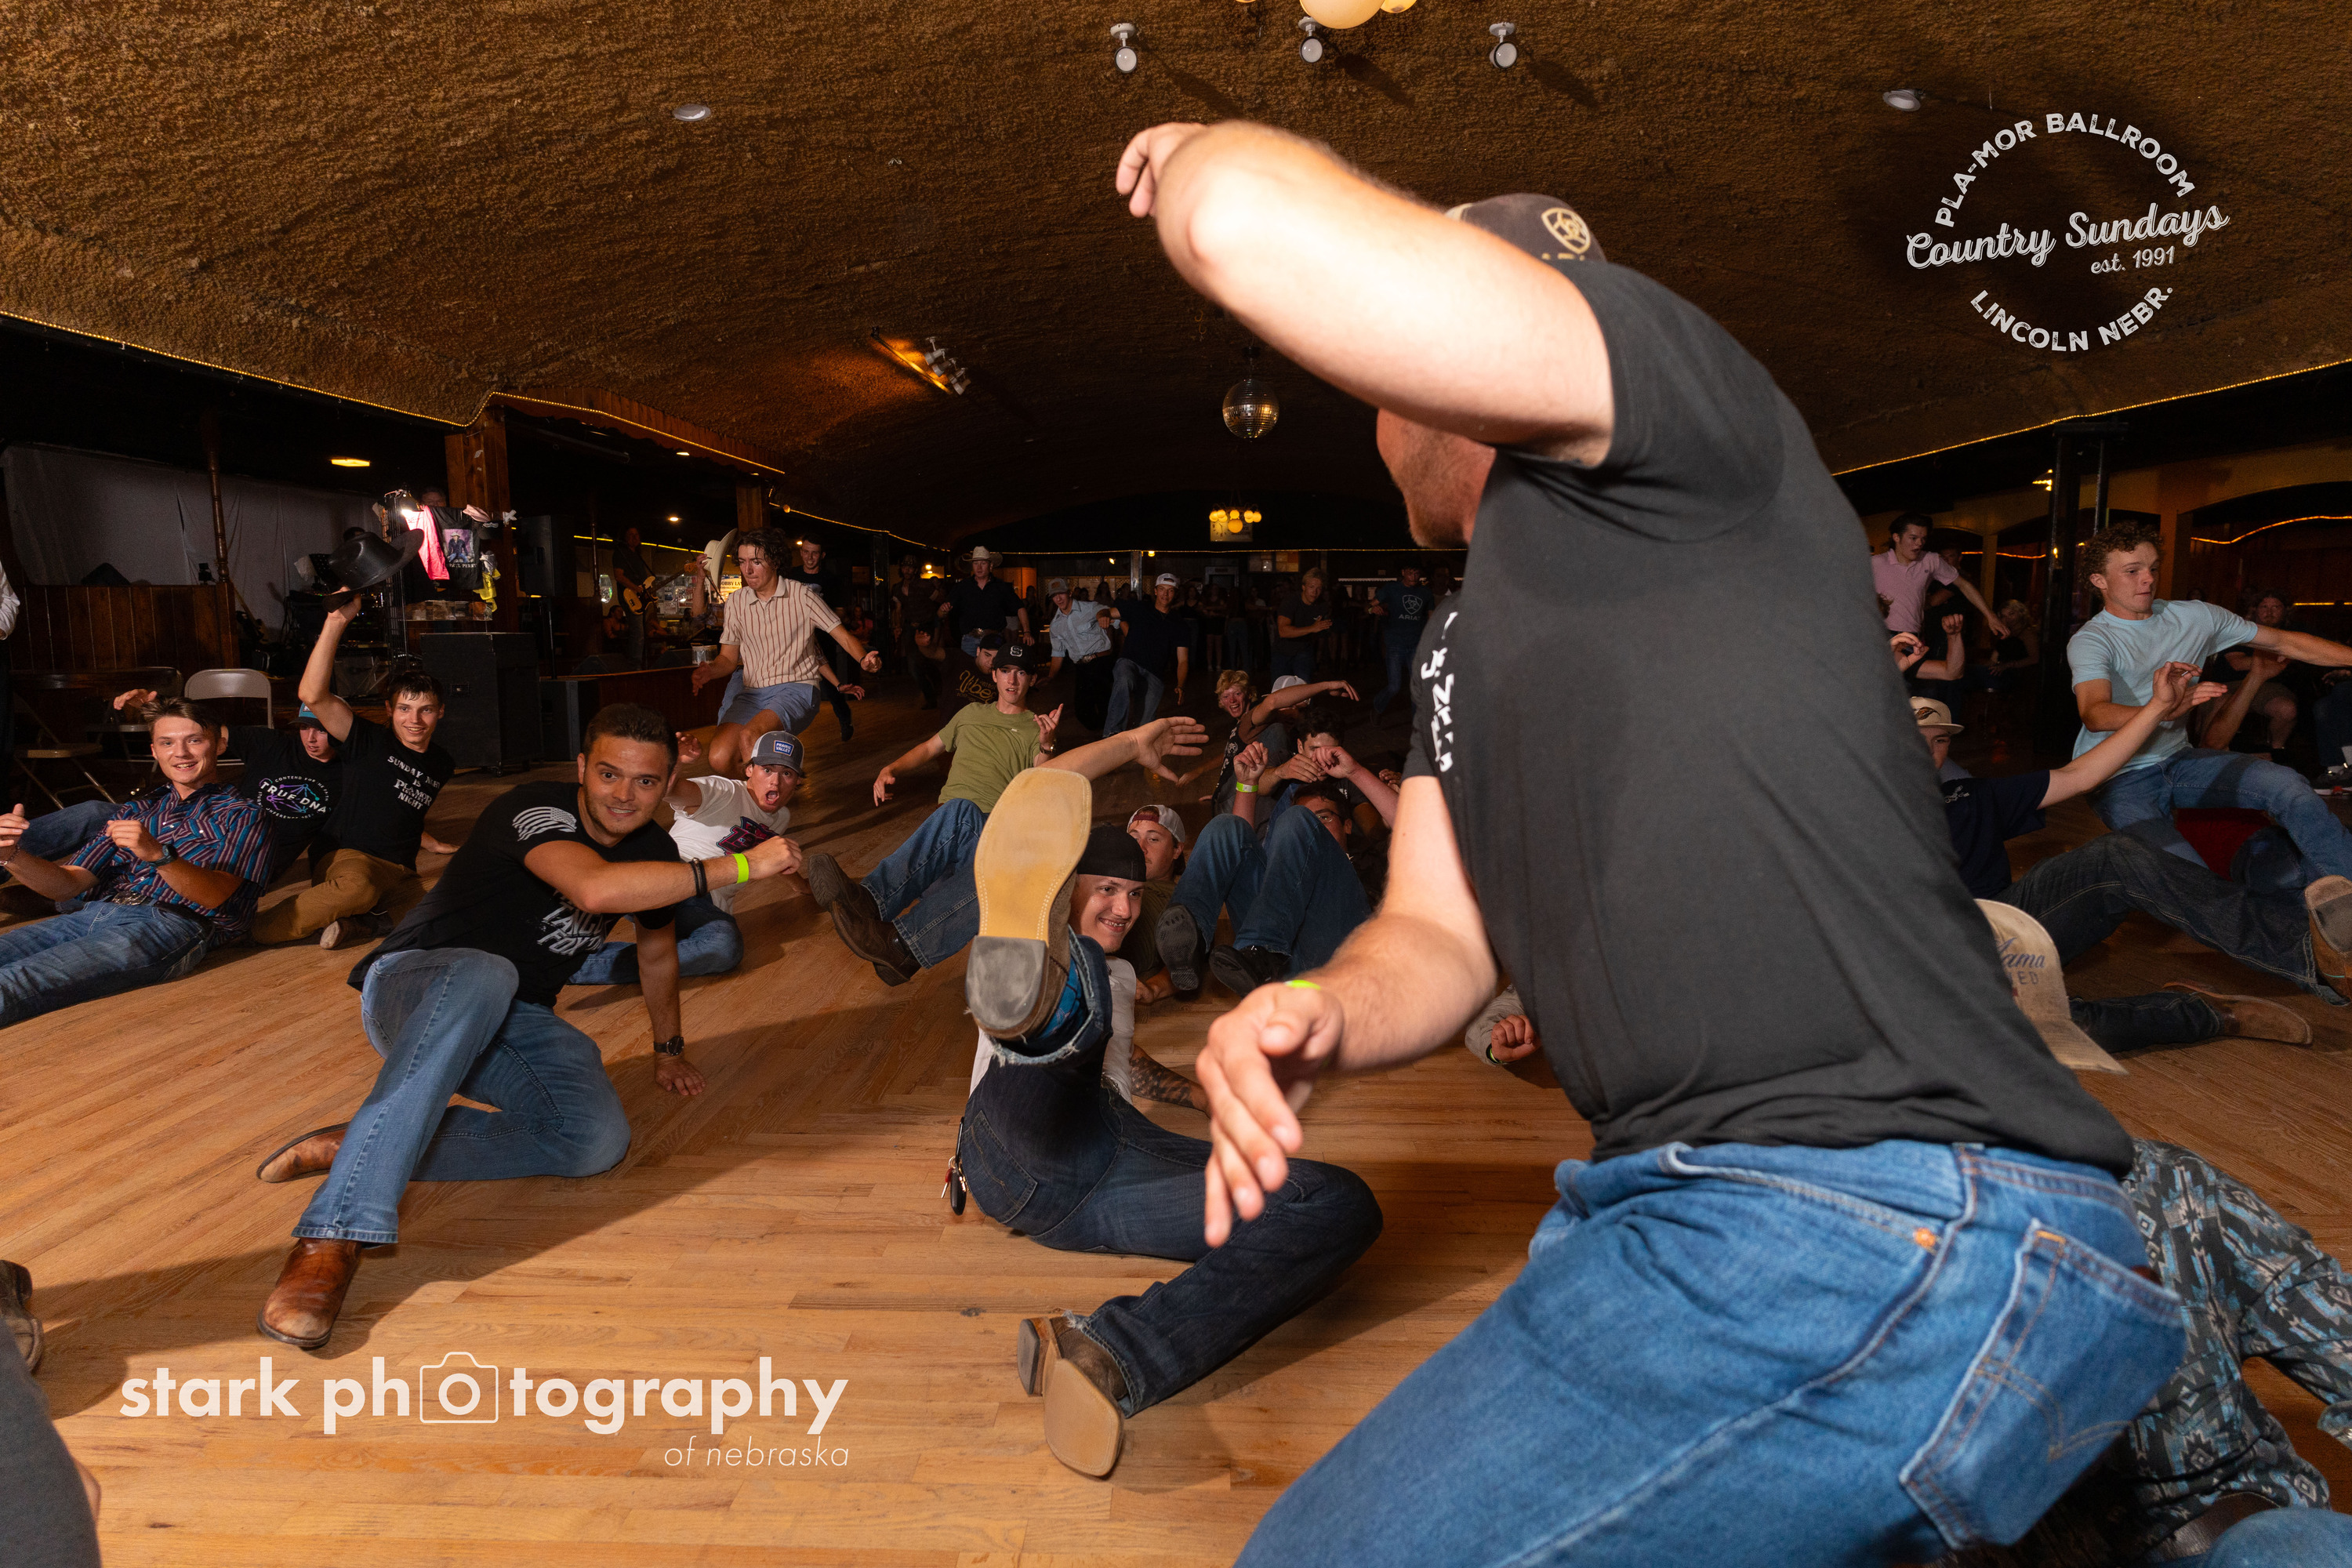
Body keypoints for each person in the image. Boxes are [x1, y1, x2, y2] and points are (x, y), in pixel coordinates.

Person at [1116, 121, 2187, 1566]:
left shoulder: (1683, 426)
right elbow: (1436, 932)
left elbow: (1242, 218)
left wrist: (1197, 151)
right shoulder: (1459, 640)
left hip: (1861, 1198)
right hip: (1688, 1205)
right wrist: (1323, 1010)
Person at [249, 704, 804, 1350]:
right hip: (414, 987)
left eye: (646, 782)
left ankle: (360, 1145)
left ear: (665, 784)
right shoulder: (535, 810)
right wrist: (745, 865)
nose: (624, 796)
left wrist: (668, 1049)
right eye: (609, 774)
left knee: (593, 1140)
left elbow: (656, 956)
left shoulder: (655, 854)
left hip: (516, 1018)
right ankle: (333, 1233)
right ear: (582, 768)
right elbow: (594, 890)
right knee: (489, 971)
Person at [953, 776, 1381, 1479]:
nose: (1124, 908)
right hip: (1014, 1129)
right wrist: (1127, 748)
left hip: (1099, 1174)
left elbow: (1130, 1071)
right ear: (1062, 892)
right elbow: (1045, 789)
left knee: (1338, 1202)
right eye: (1106, 890)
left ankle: (1104, 1352)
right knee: (1079, 985)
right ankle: (1044, 1017)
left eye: (1133, 893)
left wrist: (1211, 1098)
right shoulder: (1050, 956)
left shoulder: (1120, 978)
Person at [1942, 1141, 2352, 1568]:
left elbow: (2333, 1324)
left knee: (2272, 1550)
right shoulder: (1910, 1235)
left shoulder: (2171, 1185)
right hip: (2025, 1549)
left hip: (2234, 1535)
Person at [1911, 686, 2352, 1053]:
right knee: (2049, 1029)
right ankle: (2206, 1013)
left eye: (1940, 740)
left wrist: (2157, 708)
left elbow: (2082, 775)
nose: (1928, 752)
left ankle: (2316, 960)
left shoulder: (1970, 797)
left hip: (2004, 927)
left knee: (2118, 856)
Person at [804, 691, 1207, 985]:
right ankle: (872, 902)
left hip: (1050, 942)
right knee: (962, 813)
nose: (1138, 846)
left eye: (1154, 839)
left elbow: (1185, 959)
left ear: (1178, 851)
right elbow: (1045, 782)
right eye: (1133, 834)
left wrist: (1161, 985)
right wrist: (1130, 744)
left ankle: (902, 947)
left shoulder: (1176, 898)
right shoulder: (1110, 870)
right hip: (1019, 910)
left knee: (1016, 863)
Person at [2071, 522, 2352, 875]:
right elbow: (2095, 713)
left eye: (2153, 568)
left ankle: (2345, 886)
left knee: (2289, 786)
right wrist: (2164, 709)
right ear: (2099, 580)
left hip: (2178, 760)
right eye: (2132, 571)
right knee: (2187, 876)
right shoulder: (2093, 640)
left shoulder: (2196, 616)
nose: (2148, 579)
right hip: (2115, 774)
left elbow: (2285, 642)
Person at [0, 698, 273, 1028]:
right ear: (155, 751)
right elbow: (67, 885)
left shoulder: (244, 814)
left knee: (15, 981)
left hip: (171, 925)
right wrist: (11, 856)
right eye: (167, 743)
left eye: (194, 740)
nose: (181, 753)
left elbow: (216, 895)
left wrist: (159, 855)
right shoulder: (136, 810)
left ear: (220, 745)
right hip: (94, 912)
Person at [255, 597, 458, 949]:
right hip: (349, 857)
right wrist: (336, 622)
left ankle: (359, 924)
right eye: (404, 709)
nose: (414, 720)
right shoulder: (368, 740)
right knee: (358, 890)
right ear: (389, 710)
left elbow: (400, 806)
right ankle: (249, 930)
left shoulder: (442, 762)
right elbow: (312, 694)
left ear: (440, 712)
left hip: (400, 869)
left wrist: (431, 843)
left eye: (425, 710)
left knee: (445, 910)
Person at [569, 729, 806, 986]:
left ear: (797, 781)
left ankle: (583, 965)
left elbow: (774, 855)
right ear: (750, 770)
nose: (775, 782)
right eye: (767, 770)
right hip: (671, 874)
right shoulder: (723, 791)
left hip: (704, 906)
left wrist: (804, 887)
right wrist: (673, 762)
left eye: (786, 773)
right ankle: (565, 942)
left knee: (723, 946)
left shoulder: (781, 818)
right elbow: (669, 791)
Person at [1156, 769, 1394, 1000]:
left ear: (1347, 825)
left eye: (1323, 817)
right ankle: (1191, 942)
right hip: (1283, 963)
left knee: (1294, 819)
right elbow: (1239, 848)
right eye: (1306, 823)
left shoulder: (1371, 862)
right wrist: (1248, 783)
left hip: (1344, 957)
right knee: (1226, 826)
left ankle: (1261, 949)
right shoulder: (1283, 864)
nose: (1313, 828)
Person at [689, 528, 882, 776]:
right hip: (752, 692)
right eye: (743, 562)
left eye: (756, 562)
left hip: (796, 687)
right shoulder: (737, 601)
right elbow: (727, 659)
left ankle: (764, 795)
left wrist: (864, 658)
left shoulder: (802, 595)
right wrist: (709, 670)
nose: (748, 570)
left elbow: (842, 635)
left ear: (775, 561)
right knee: (719, 758)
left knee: (750, 736)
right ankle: (773, 786)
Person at [1184, 670, 1352, 815]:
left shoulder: (1297, 735)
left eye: (1299, 709)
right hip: (1239, 799)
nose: (1292, 713)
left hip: (1236, 797)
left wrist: (1213, 784)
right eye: (1288, 705)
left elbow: (1232, 755)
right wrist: (1326, 686)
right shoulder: (1262, 723)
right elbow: (1272, 703)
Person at [784, 536, 860, 743]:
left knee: (830, 683)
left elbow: (840, 612)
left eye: (815, 553)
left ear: (822, 555)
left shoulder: (830, 579)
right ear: (801, 553)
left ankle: (844, 719)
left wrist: (825, 622)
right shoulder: (791, 577)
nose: (810, 557)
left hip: (823, 637)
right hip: (795, 637)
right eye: (806, 552)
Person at [1875, 513, 1997, 638]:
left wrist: (1990, 616)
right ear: (1896, 537)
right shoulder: (1875, 563)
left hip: (1913, 635)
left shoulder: (1930, 560)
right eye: (1913, 538)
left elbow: (1964, 585)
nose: (1919, 543)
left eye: (1923, 539)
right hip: (1880, 634)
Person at [1103, 572, 1193, 735]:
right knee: (1124, 680)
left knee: (1144, 729)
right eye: (1162, 589)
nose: (1165, 594)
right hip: (1130, 662)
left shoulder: (1179, 624)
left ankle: (1135, 743)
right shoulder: (1139, 608)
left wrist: (1181, 685)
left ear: (1175, 594)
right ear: (1156, 591)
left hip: (1154, 673)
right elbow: (1106, 612)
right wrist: (1102, 616)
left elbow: (1183, 660)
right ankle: (1112, 734)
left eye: (1170, 591)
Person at [1044, 577, 1118, 731]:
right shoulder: (1056, 625)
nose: (1058, 599)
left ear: (1069, 593)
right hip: (1081, 667)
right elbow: (1058, 653)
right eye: (1054, 596)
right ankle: (1103, 733)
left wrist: (1105, 615)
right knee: (1082, 711)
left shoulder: (1090, 608)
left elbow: (1114, 617)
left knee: (1104, 702)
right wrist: (1051, 676)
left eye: (1061, 594)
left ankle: (1110, 735)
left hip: (1100, 661)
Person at [1367, 566, 1435, 718]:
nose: (1414, 576)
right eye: (1410, 573)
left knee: (1418, 685)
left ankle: (1417, 721)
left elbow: (1431, 618)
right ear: (1403, 572)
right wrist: (1373, 609)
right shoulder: (1392, 588)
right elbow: (1369, 607)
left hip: (1416, 645)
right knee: (1394, 686)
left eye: (1417, 573)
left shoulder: (1425, 593)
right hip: (1395, 644)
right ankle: (1377, 708)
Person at [950, 546, 1030, 653]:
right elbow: (945, 609)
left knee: (993, 664)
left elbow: (1020, 608)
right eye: (976, 563)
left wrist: (1027, 632)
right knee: (969, 664)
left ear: (991, 565)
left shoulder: (1001, 586)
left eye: (983, 563)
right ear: (972, 566)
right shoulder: (963, 586)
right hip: (969, 640)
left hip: (994, 639)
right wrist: (942, 612)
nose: (979, 567)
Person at [1272, 568, 1333, 684]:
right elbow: (1283, 631)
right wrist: (1312, 628)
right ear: (1303, 587)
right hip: (1282, 652)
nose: (1315, 592)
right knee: (1280, 689)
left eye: (1319, 588)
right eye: (1311, 587)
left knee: (1304, 687)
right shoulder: (1291, 601)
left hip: (1304, 651)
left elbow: (1319, 632)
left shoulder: (1322, 606)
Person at [612, 524, 655, 666]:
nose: (635, 537)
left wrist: (644, 590)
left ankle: (639, 661)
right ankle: (635, 664)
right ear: (624, 537)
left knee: (640, 631)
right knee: (638, 632)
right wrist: (636, 589)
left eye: (636, 535)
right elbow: (619, 576)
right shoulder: (621, 553)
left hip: (640, 595)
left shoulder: (637, 555)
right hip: (630, 595)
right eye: (631, 535)